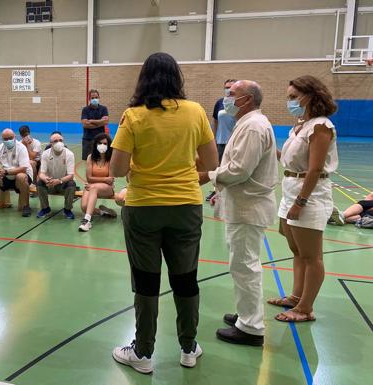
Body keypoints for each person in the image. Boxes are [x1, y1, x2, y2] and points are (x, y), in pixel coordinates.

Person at [110, 52, 218, 374]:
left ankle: (142, 353)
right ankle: (188, 347)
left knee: (146, 282)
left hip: (144, 208)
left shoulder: (133, 115)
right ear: (177, 78)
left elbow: (116, 168)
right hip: (186, 205)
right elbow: (212, 163)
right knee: (186, 279)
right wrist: (181, 165)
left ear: (144, 79)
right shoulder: (196, 112)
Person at [199, 80, 278, 346]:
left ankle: (251, 328)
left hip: (248, 206)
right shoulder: (247, 123)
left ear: (247, 99)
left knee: (245, 266)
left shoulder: (253, 126)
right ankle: (246, 315)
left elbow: (239, 170)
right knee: (242, 263)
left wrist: (207, 176)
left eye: (232, 95)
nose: (227, 99)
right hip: (244, 205)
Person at [268, 75, 338, 322]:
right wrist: (267, 147)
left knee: (311, 256)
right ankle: (296, 297)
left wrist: (301, 202)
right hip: (290, 189)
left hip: (309, 195)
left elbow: (315, 168)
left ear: (311, 96)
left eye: (294, 97)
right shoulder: (299, 126)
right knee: (297, 250)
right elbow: (289, 161)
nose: (290, 102)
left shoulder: (321, 126)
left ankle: (305, 309)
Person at [206, 79, 238, 201]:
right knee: (218, 167)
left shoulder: (239, 103)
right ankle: (216, 191)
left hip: (234, 141)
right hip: (220, 140)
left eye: (230, 87)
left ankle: (229, 191)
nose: (228, 89)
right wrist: (212, 138)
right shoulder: (220, 103)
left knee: (231, 167)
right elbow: (215, 121)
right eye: (226, 87)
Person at [79, 133, 117, 232]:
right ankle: (103, 212)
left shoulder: (111, 158)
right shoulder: (90, 157)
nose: (102, 145)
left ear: (109, 145)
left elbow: (110, 180)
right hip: (92, 186)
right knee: (84, 207)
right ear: (95, 144)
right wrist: (104, 179)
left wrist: (96, 182)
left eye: (105, 143)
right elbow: (89, 178)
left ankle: (87, 221)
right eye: (99, 143)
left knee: (94, 188)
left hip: (107, 188)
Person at [36, 132, 76, 219]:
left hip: (63, 183)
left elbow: (70, 175)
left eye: (61, 140)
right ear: (51, 143)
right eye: (55, 141)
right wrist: (46, 179)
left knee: (72, 184)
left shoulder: (69, 154)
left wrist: (59, 181)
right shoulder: (46, 154)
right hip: (50, 183)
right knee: (39, 183)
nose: (59, 142)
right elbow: (41, 173)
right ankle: (45, 208)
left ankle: (67, 210)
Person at [80, 89, 109, 160]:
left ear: (99, 98)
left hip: (100, 140)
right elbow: (85, 124)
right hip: (88, 140)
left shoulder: (104, 109)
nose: (94, 99)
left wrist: (92, 121)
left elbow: (106, 122)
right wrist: (100, 123)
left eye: (96, 97)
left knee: (101, 160)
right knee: (87, 161)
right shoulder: (85, 110)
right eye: (92, 98)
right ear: (89, 99)